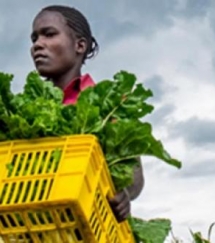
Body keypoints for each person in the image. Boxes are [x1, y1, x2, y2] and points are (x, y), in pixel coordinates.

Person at [30, 5, 144, 222]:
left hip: (92, 223)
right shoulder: (27, 111)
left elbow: (135, 175)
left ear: (80, 45)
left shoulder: (107, 105)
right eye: (34, 38)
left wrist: (124, 194)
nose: (38, 45)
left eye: (49, 34)